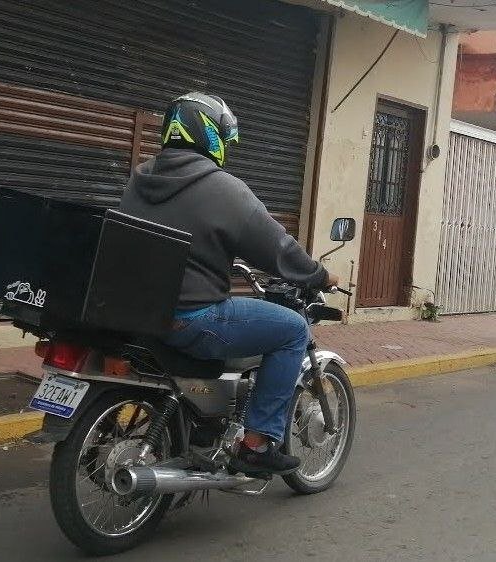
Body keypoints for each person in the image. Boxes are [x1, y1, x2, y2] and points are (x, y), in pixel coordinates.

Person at [121, 92, 339, 475]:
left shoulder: (140, 178)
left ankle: (204, 422)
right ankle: (255, 445)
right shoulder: (222, 188)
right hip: (191, 317)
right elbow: (276, 247)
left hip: (137, 312)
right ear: (209, 135)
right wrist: (320, 275)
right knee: (292, 329)